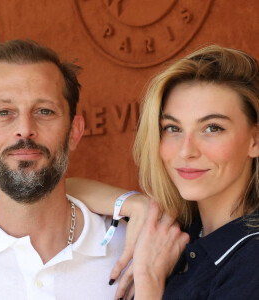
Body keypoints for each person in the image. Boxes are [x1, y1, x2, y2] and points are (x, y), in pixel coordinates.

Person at [67, 45, 259, 299]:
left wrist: (149, 282)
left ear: (254, 140)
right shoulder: (179, 230)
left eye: (212, 128)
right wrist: (139, 206)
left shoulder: (251, 261)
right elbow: (63, 189)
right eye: (173, 128)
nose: (186, 151)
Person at [0, 39, 127, 299]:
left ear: (74, 132)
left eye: (45, 111)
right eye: (4, 112)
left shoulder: (133, 247)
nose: (25, 129)